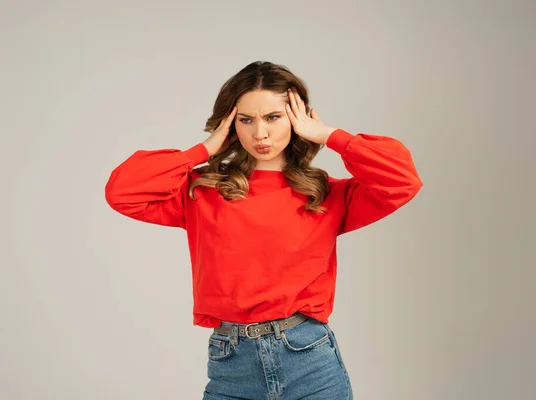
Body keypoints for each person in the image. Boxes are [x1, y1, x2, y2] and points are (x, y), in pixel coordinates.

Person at [105, 60, 423, 400]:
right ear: (230, 124)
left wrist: (330, 136)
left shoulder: (325, 195)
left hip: (310, 362)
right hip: (232, 365)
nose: (260, 134)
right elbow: (122, 190)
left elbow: (402, 179)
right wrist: (204, 150)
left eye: (273, 117)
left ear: (295, 118)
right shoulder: (201, 191)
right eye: (246, 119)